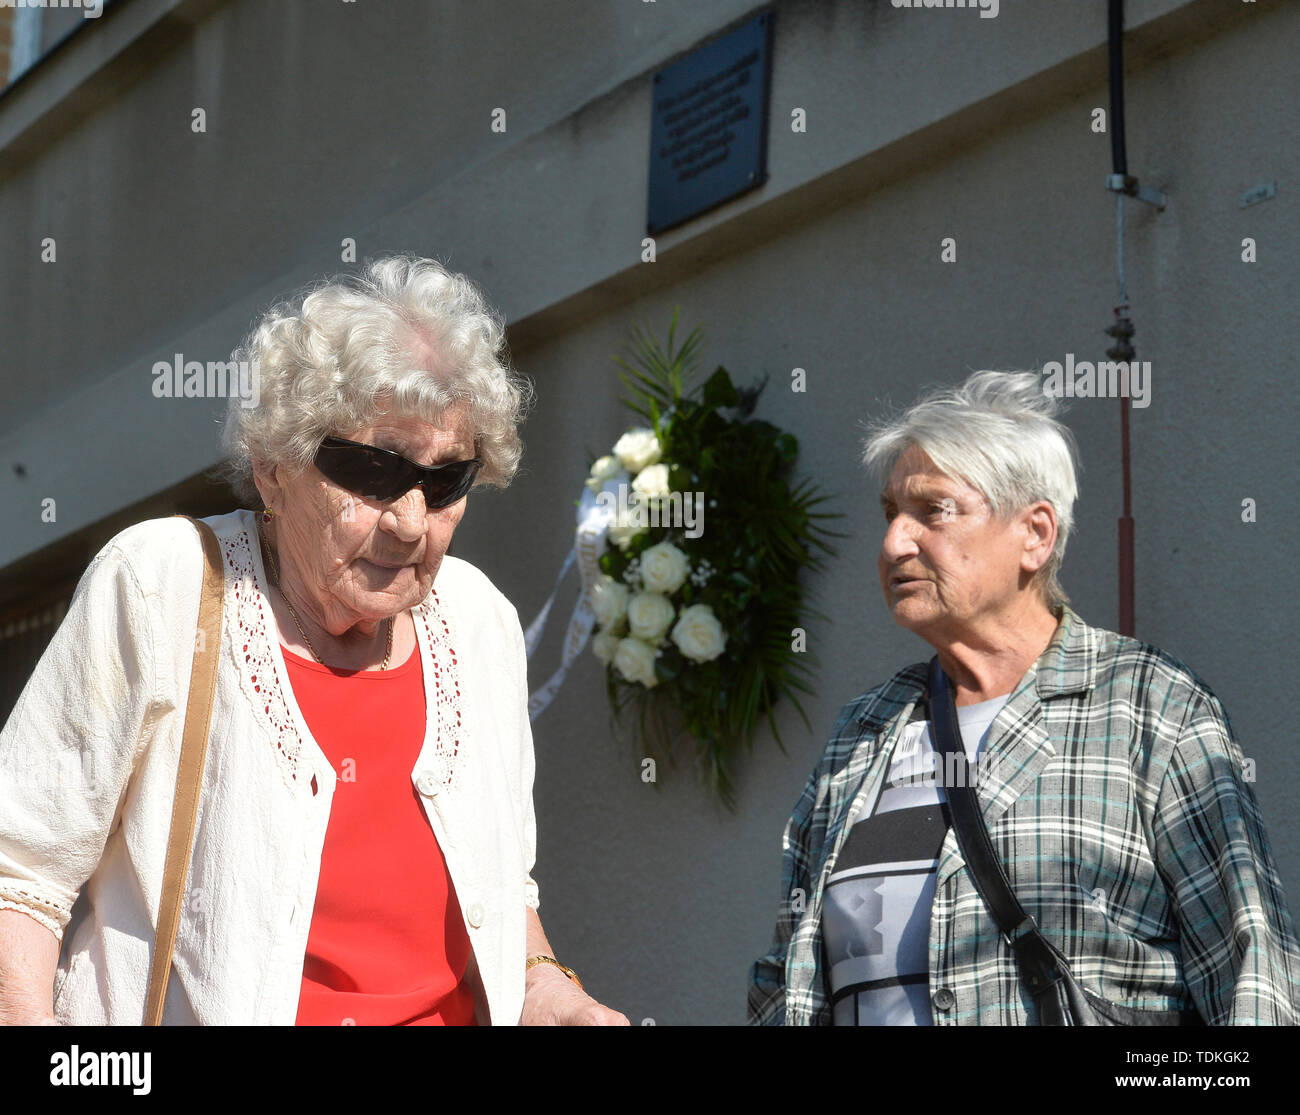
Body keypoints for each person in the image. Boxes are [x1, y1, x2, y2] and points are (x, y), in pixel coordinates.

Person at [0, 255, 627, 1026]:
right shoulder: (160, 584)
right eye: (371, 470)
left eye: (445, 483)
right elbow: (17, 876)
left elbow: (502, 894)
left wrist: (553, 995)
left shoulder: (481, 623)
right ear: (273, 467)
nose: (407, 520)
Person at [748, 370, 1300, 1025]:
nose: (895, 542)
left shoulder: (1150, 709)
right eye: (891, 513)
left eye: (932, 510)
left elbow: (1254, 980)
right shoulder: (864, 733)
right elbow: (787, 984)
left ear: (1034, 534)